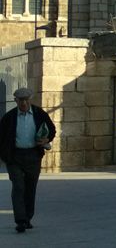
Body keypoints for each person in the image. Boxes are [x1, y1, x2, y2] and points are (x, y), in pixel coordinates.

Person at [0, 87, 56, 233]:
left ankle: (27, 218)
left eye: (26, 99)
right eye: (21, 100)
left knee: (30, 188)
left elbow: (52, 129)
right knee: (18, 187)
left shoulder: (39, 114)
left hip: (33, 156)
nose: (24, 103)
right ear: (16, 101)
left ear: (30, 99)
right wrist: (5, 156)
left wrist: (47, 138)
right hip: (15, 157)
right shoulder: (9, 117)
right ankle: (20, 221)